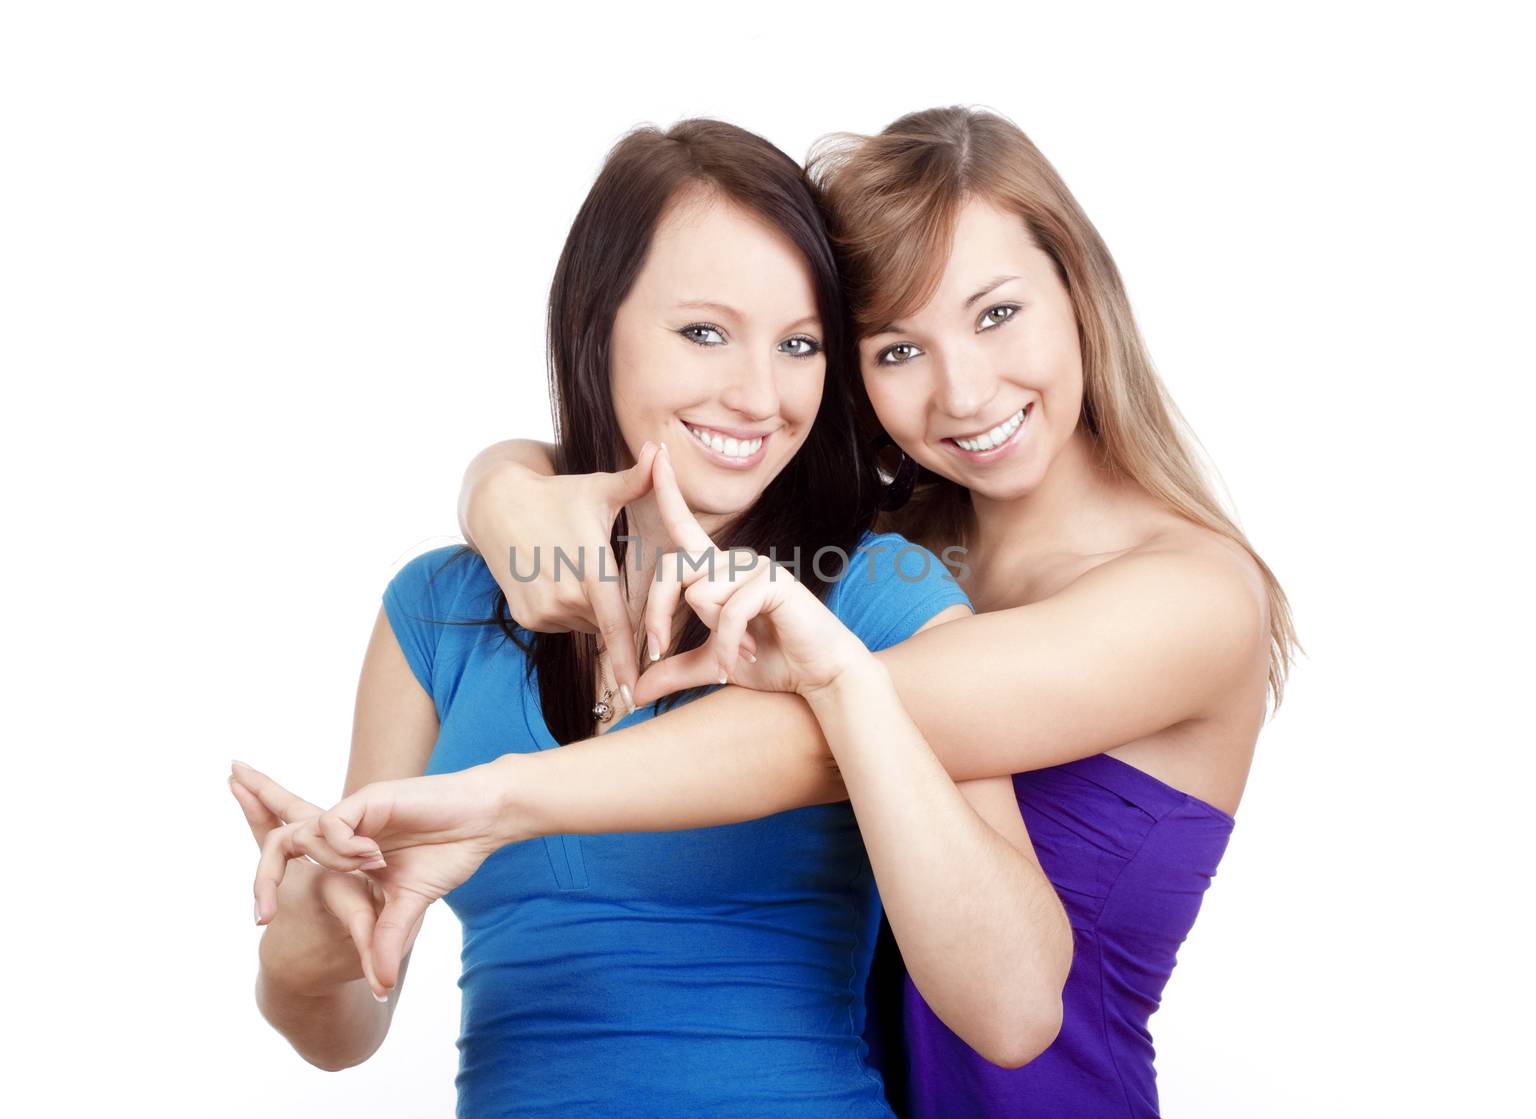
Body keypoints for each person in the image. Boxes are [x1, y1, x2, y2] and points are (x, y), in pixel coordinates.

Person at [272, 105, 1299, 1117]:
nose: (965, 391)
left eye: (996, 313)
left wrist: (497, 800)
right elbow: (689, 440)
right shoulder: (885, 540)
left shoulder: (1178, 597)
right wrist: (501, 491)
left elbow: (798, 739)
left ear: (1083, 291)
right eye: (895, 349)